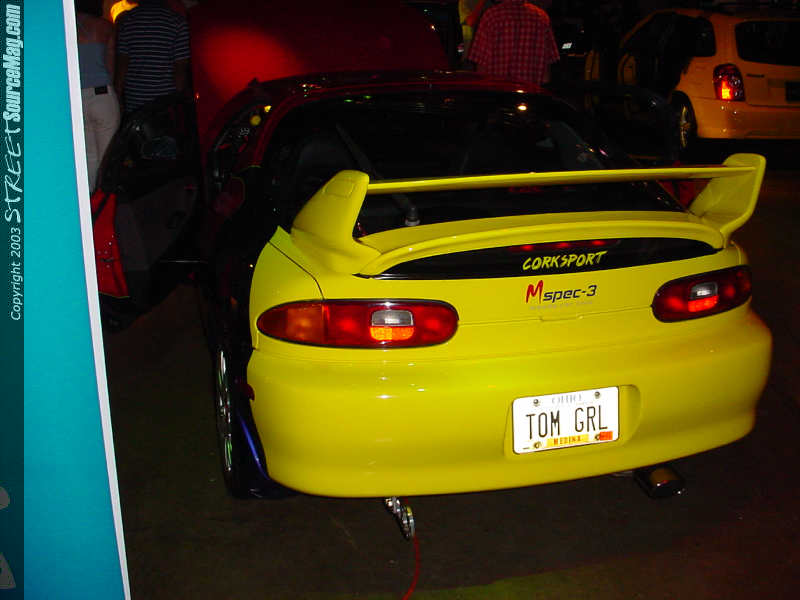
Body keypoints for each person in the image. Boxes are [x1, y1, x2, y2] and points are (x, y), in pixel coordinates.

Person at [114, 0, 191, 115]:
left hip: (135, 100)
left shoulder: (127, 20)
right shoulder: (177, 21)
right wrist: (181, 100)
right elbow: (180, 68)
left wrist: (118, 95)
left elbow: (122, 63)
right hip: (166, 102)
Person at [76, 0, 120, 191]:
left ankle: (89, 200)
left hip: (77, 99)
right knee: (108, 157)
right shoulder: (104, 27)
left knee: (89, 158)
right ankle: (105, 201)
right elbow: (110, 65)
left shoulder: (66, 26)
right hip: (101, 94)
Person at [466, 0, 559, 87]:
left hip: (498, 93)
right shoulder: (542, 18)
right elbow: (546, 77)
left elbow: (481, 69)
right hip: (530, 93)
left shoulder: (491, 17)